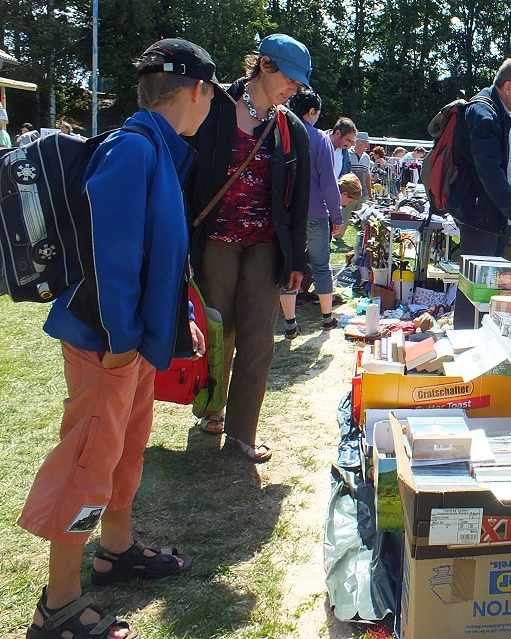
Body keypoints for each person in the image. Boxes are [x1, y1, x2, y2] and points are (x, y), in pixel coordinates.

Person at [19, 38, 217, 639]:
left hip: (132, 341)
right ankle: (60, 605)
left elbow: (155, 252)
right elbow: (114, 255)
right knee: (88, 460)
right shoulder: (134, 149)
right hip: (109, 341)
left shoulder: (158, 147)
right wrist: (123, 336)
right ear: (199, 91)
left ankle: (115, 549)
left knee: (124, 450)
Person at [187, 33, 312, 462]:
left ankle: (243, 433)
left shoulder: (291, 128)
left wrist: (297, 260)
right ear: (263, 65)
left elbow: (300, 200)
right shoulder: (213, 109)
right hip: (215, 240)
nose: (295, 89)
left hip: (264, 245)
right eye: (290, 80)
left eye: (298, 83)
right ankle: (209, 410)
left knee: (259, 338)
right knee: (218, 331)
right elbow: (187, 174)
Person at [447, 57, 511, 329]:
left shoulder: (502, 114)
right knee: (476, 290)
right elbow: (489, 171)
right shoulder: (483, 113)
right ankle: (467, 345)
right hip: (479, 215)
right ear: (508, 87)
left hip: (491, 214)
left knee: (488, 290)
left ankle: (479, 342)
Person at [279, 89, 344, 340]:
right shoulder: (320, 138)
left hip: (286, 214)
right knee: (320, 267)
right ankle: (327, 319)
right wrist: (337, 216)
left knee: (288, 268)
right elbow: (328, 182)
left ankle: (289, 323)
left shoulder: (280, 132)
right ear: (312, 112)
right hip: (316, 213)